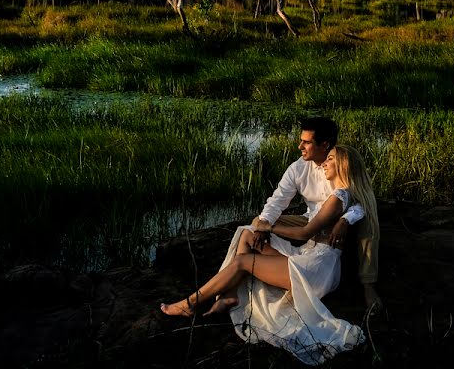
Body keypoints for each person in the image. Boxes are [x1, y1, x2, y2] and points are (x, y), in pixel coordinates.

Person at [160, 144, 377, 365]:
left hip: (316, 269)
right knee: (246, 234)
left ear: (343, 165)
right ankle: (230, 295)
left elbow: (305, 232)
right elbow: (359, 207)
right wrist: (345, 220)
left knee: (243, 261)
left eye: (330, 159)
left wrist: (269, 228)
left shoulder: (339, 196)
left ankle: (190, 303)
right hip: (307, 256)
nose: (324, 164)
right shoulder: (346, 196)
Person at [253, 117, 381, 311]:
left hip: (339, 223)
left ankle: (368, 284)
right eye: (301, 140)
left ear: (324, 144)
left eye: (306, 142)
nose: (299, 146)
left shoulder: (341, 160)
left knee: (369, 222)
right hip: (311, 221)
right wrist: (264, 224)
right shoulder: (297, 168)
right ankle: (282, 265)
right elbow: (277, 200)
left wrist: (346, 220)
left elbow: (364, 200)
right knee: (258, 221)